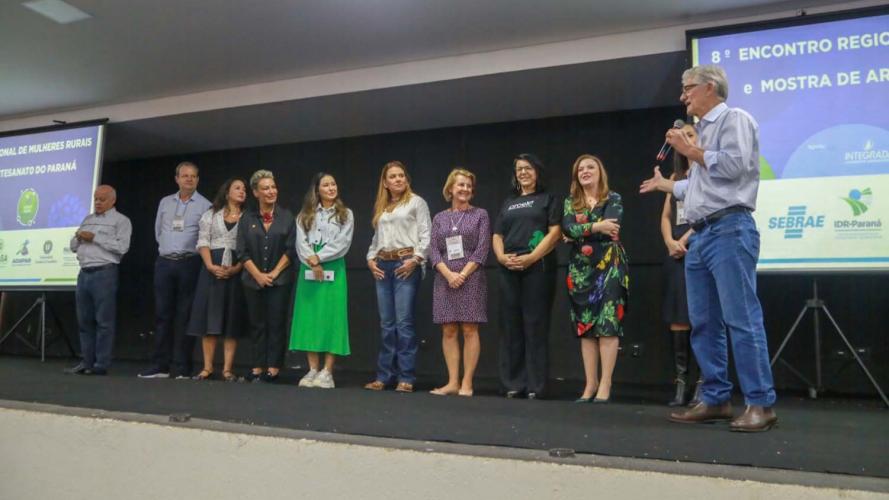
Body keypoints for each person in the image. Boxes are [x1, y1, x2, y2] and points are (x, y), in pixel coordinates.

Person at [640, 64, 777, 432]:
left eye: (688, 88)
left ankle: (760, 404)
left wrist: (690, 150)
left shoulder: (735, 120)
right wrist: (666, 186)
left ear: (710, 87)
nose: (683, 95)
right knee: (703, 323)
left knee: (742, 319)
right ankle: (715, 399)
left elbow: (734, 168)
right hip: (701, 235)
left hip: (730, 229)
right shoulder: (700, 132)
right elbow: (700, 189)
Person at [492, 153, 561, 399]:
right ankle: (513, 382)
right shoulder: (509, 202)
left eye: (528, 168)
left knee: (535, 325)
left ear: (537, 172)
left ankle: (536, 385)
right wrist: (501, 257)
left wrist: (532, 257)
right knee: (511, 326)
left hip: (537, 268)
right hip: (508, 267)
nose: (523, 173)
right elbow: (497, 235)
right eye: (519, 169)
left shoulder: (547, 199)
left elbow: (554, 233)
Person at [561, 155, 628, 404]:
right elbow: (567, 228)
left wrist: (584, 231)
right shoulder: (571, 201)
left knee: (607, 323)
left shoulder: (613, 198)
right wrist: (597, 227)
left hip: (609, 265)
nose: (585, 171)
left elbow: (613, 226)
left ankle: (606, 384)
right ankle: (590, 384)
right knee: (585, 326)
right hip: (580, 270)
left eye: (591, 167)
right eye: (581, 169)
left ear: (600, 172)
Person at [140, 162, 212, 379]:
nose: (189, 179)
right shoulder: (165, 202)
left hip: (189, 263)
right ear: (177, 179)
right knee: (162, 315)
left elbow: (205, 236)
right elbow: (158, 231)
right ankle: (160, 366)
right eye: (184, 175)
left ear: (198, 180)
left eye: (193, 176)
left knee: (185, 316)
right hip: (164, 263)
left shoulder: (205, 205)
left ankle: (182, 368)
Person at [364, 161, 431, 393]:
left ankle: (406, 377)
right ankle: (384, 376)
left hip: (405, 264)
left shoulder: (416, 202)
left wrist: (417, 259)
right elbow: (376, 238)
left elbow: (426, 234)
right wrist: (370, 260)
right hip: (382, 264)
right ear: (385, 182)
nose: (398, 179)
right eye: (393, 176)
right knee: (386, 324)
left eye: (401, 175)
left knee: (403, 323)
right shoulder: (382, 207)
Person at [428, 168, 490, 397]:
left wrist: (462, 274)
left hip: (471, 277)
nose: (464, 189)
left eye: (468, 185)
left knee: (470, 329)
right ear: (450, 189)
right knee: (449, 329)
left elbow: (482, 248)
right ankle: (452, 382)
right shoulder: (439, 218)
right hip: (444, 279)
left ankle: (467, 383)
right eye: (460, 185)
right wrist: (448, 274)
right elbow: (433, 251)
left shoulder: (480, 214)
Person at [290, 173, 354, 389]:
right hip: (309, 266)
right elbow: (301, 243)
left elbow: (343, 243)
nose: (331, 188)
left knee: (332, 317)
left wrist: (320, 257)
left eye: (333, 184)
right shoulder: (304, 215)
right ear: (317, 190)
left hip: (333, 265)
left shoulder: (346, 214)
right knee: (310, 317)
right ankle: (312, 369)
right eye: (326, 185)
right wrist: (312, 261)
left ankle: (327, 371)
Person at [65, 185, 132, 376]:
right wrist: (78, 237)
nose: (97, 202)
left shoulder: (121, 221)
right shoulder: (88, 219)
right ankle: (86, 362)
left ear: (113, 201)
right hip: (84, 273)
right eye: (96, 199)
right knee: (84, 321)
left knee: (104, 321)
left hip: (105, 273)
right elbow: (72, 246)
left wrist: (95, 238)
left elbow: (122, 247)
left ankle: (101, 364)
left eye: (102, 199)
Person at [238, 169, 296, 383]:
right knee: (257, 324)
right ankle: (256, 366)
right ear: (255, 192)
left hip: (279, 279)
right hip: (253, 280)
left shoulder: (287, 216)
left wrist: (273, 273)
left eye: (273, 187)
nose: (271, 191)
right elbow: (241, 251)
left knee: (276, 323)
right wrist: (258, 275)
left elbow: (291, 250)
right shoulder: (247, 218)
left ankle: (273, 367)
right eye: (265, 188)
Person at [186, 178, 247, 382]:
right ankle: (207, 368)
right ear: (227, 192)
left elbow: (248, 248)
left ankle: (228, 369)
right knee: (208, 318)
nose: (242, 191)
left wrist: (236, 268)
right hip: (211, 268)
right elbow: (203, 241)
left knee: (231, 318)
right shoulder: (211, 215)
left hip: (236, 269)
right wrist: (211, 266)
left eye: (244, 189)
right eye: (237, 188)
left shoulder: (247, 217)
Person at [660, 125, 702, 407]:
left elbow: (707, 214)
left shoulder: (705, 173)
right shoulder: (675, 178)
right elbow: (665, 216)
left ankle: (703, 383)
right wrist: (669, 241)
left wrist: (685, 239)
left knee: (701, 316)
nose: (684, 139)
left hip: (699, 243)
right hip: (675, 250)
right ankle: (681, 382)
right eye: (681, 136)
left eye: (691, 135)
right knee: (678, 316)